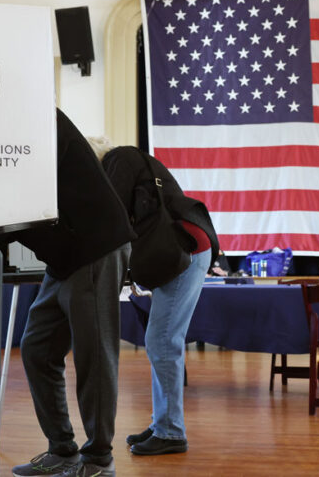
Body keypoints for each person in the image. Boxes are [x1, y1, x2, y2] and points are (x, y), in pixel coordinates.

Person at [5, 111, 134, 477]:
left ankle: (98, 459)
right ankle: (62, 450)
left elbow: (19, 187)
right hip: (65, 253)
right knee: (37, 347)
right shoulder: (7, 121)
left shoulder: (37, 114)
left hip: (94, 246)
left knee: (94, 355)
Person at [91, 140, 219, 457]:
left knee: (162, 340)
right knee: (160, 340)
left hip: (184, 251)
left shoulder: (119, 159)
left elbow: (112, 218)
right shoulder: (133, 160)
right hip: (184, 248)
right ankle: (163, 422)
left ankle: (171, 432)